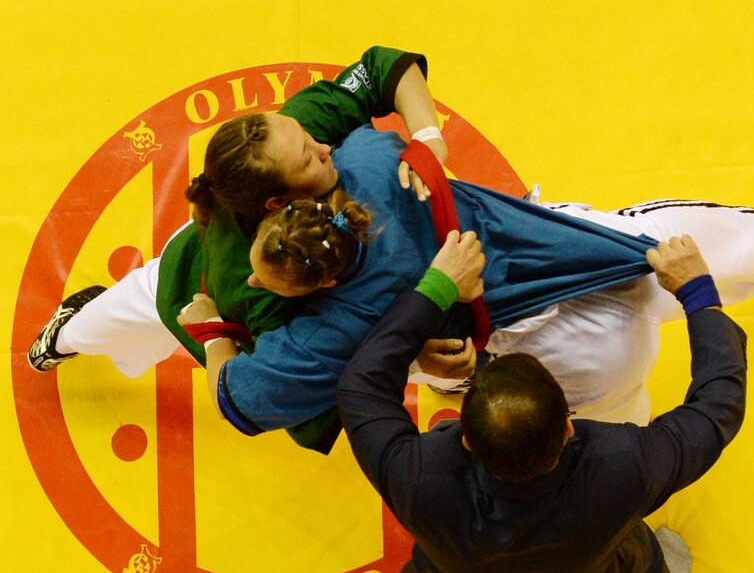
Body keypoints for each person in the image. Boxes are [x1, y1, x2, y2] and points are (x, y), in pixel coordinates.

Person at [28, 46, 754, 446]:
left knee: (116, 316)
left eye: (315, 144)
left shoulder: (324, 307)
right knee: (691, 253)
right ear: (284, 200)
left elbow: (241, 399)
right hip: (571, 257)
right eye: (312, 153)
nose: (321, 147)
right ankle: (75, 331)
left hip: (524, 337)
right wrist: (427, 145)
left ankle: (64, 335)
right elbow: (386, 72)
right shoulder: (372, 162)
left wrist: (212, 330)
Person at [335, 231, 747, 573]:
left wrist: (435, 290)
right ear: (571, 426)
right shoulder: (623, 467)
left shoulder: (420, 479)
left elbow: (362, 384)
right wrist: (698, 292)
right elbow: (717, 405)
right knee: (644, 550)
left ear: (467, 443)